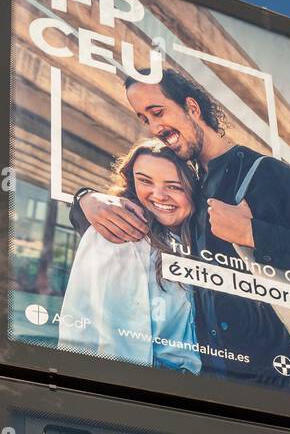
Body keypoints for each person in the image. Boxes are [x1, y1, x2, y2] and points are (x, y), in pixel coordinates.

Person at [70, 69, 290, 386]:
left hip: (285, 390)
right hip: (214, 388)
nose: (154, 128)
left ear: (192, 108)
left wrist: (253, 235)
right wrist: (85, 199)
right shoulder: (190, 185)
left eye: (157, 112)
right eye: (144, 119)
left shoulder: (266, 174)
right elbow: (132, 217)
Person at [59, 138, 201, 374]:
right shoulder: (118, 237)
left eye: (174, 186)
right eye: (145, 181)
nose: (158, 195)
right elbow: (82, 329)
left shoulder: (201, 245)